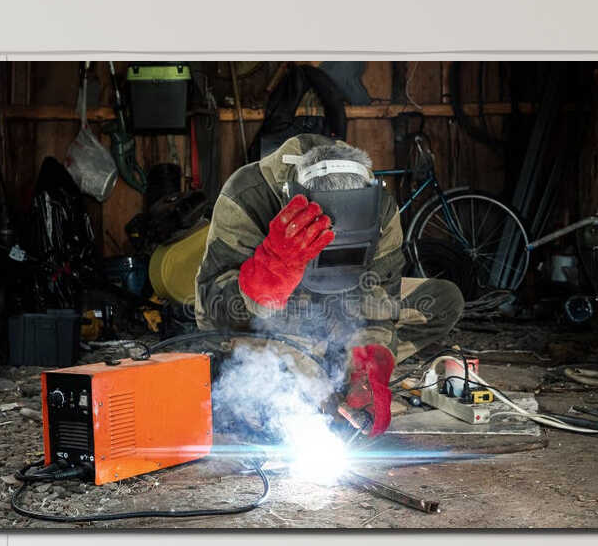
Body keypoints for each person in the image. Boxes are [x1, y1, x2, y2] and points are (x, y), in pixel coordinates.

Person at [195, 134, 463, 435]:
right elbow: (211, 309)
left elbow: (380, 303)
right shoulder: (248, 195)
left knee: (443, 299)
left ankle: (337, 372)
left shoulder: (379, 207)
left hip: (343, 309)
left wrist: (370, 370)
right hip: (273, 317)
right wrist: (268, 277)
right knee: (284, 412)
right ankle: (310, 372)